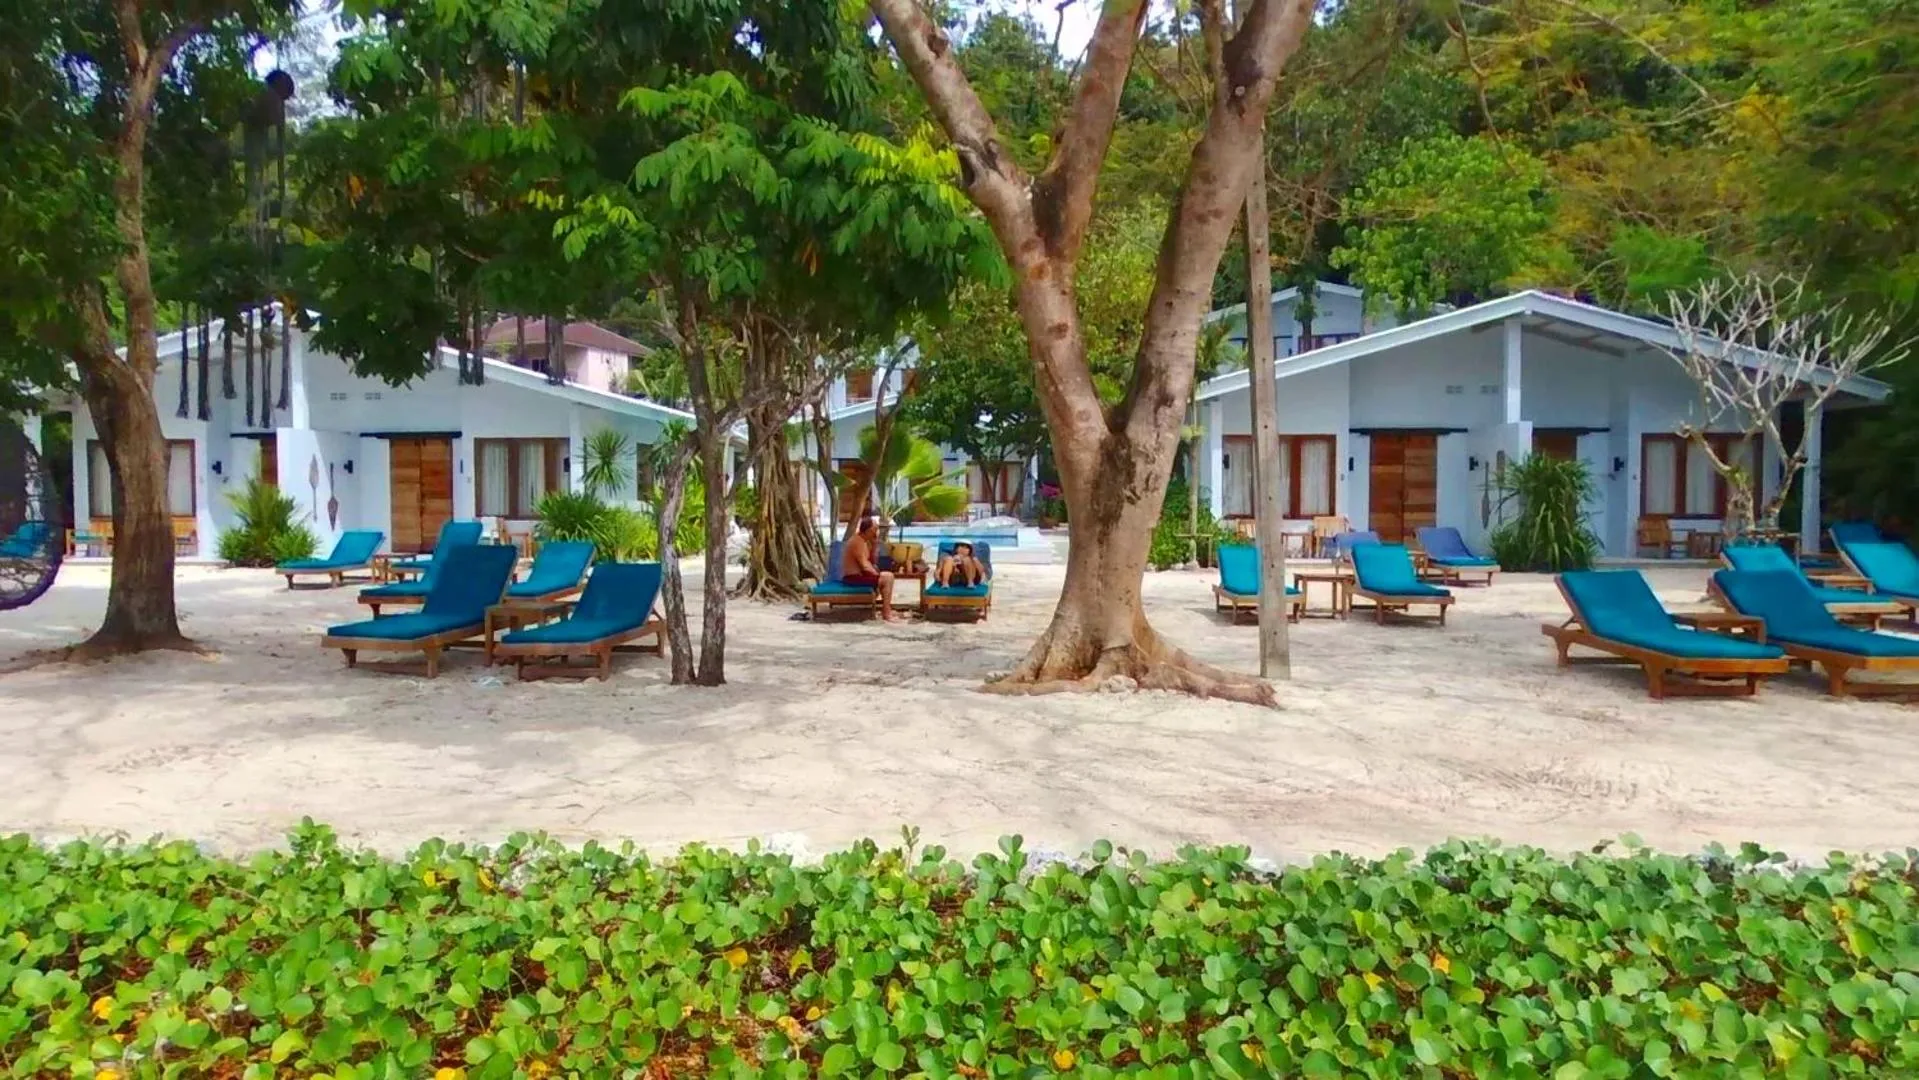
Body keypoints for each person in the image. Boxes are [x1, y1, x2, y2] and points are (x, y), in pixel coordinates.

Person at [841, 516, 898, 621]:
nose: (876, 533)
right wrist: (877, 575)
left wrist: (875, 545)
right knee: (887, 577)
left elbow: (872, 562)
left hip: (860, 575)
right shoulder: (857, 542)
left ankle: (886, 609)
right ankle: (886, 612)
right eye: (875, 530)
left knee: (887, 576)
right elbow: (865, 566)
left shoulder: (864, 541)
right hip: (852, 578)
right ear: (867, 531)